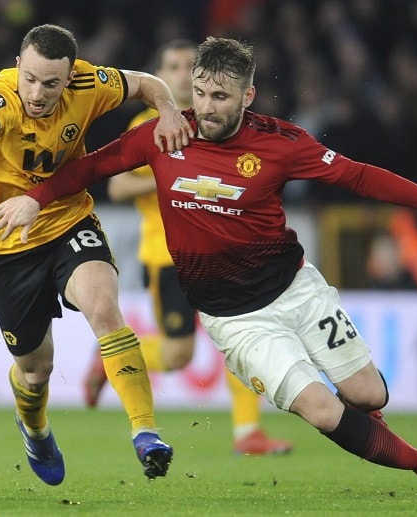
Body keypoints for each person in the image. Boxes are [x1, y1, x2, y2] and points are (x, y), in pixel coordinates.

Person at [0, 37, 417, 498]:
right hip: (235, 319)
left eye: (221, 97)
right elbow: (90, 168)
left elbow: (357, 177)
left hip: (296, 288)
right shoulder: (164, 135)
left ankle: (372, 430)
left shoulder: (282, 144)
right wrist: (36, 199)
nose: (206, 109)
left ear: (247, 97)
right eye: (200, 93)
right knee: (324, 412)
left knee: (369, 395)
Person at [0, 24, 194, 484]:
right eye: (31, 78)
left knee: (104, 306)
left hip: (67, 218)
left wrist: (166, 110)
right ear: (18, 66)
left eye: (50, 83)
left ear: (69, 78)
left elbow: (147, 82)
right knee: (36, 368)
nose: (37, 93)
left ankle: (146, 433)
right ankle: (36, 427)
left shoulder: (90, 83)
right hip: (7, 241)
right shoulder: (1, 94)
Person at [85, 38, 291, 455]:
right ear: (159, 76)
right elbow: (118, 184)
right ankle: (111, 359)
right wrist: (168, 177)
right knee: (179, 354)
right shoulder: (148, 122)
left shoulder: (220, 123)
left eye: (188, 66)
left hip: (224, 251)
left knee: (243, 335)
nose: (181, 74)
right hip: (168, 256)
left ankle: (248, 432)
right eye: (173, 66)